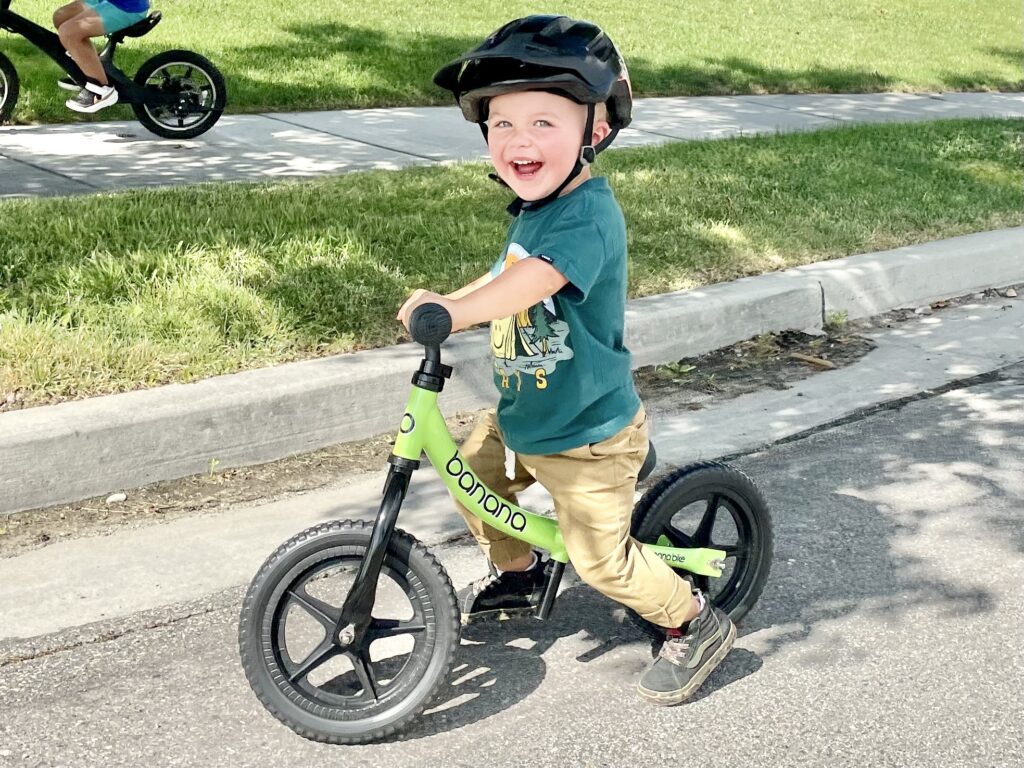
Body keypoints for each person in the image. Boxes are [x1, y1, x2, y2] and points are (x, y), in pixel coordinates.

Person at [396, 15, 735, 706]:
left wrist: (459, 314)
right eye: (502, 125)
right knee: (472, 474)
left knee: (599, 561)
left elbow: (536, 281)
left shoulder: (586, 216)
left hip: (587, 430)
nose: (518, 141)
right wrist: (445, 300)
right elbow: (502, 276)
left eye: (543, 123)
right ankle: (519, 572)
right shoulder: (533, 210)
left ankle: (695, 624)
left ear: (595, 130)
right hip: (530, 411)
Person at [51, 0, 150, 113]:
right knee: (60, 17)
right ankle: (85, 70)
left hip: (127, 7)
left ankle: (101, 89)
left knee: (68, 33)